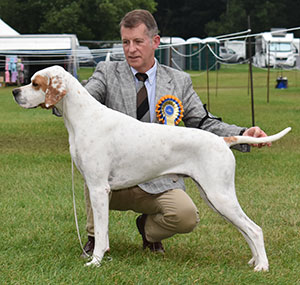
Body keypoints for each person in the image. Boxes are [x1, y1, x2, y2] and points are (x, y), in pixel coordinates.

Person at [81, 9, 270, 257]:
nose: (131, 49)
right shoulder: (106, 73)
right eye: (125, 42)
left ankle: (149, 231)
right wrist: (58, 97)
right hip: (118, 180)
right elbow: (83, 102)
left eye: (138, 41)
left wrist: (244, 133)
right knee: (94, 175)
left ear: (155, 42)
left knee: (186, 216)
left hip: (159, 179)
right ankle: (95, 239)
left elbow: (203, 121)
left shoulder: (179, 81)